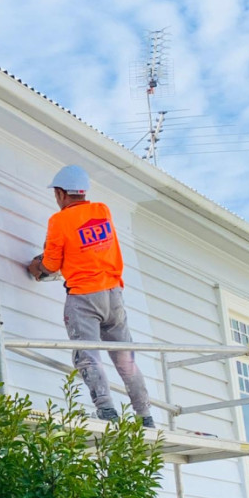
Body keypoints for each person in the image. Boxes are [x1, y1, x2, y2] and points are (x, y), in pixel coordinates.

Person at [27, 164, 155, 428]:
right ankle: (145, 416)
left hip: (84, 297)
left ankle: (106, 411)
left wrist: (37, 266)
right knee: (126, 358)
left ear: (61, 193)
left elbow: (51, 264)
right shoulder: (102, 211)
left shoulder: (59, 221)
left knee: (88, 356)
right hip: (113, 295)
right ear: (83, 191)